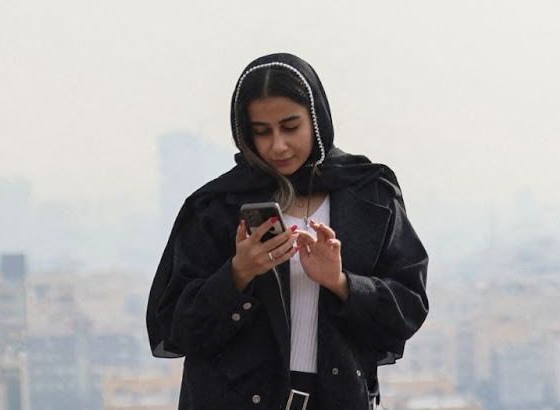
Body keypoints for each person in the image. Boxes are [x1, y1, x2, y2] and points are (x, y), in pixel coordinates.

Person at [147, 53, 429, 409]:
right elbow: (174, 327)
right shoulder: (216, 207)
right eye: (262, 132)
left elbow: (408, 308)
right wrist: (237, 274)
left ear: (317, 120)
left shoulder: (370, 195)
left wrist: (342, 283)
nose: (278, 146)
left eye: (290, 127)